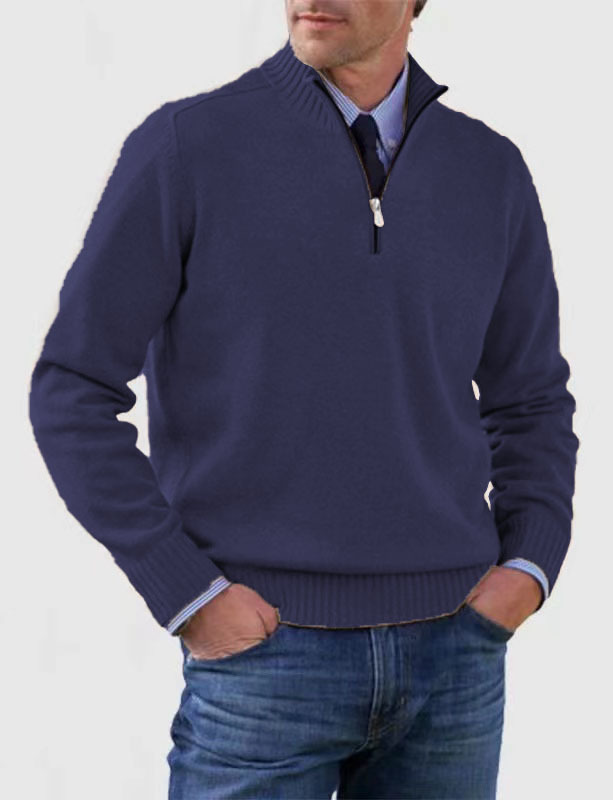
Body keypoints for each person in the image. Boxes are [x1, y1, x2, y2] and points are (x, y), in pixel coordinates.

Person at [28, 1, 580, 797]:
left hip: (455, 659)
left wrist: (529, 564)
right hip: (263, 657)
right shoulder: (189, 146)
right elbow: (73, 387)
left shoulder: (489, 169)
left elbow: (529, 398)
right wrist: (185, 591)